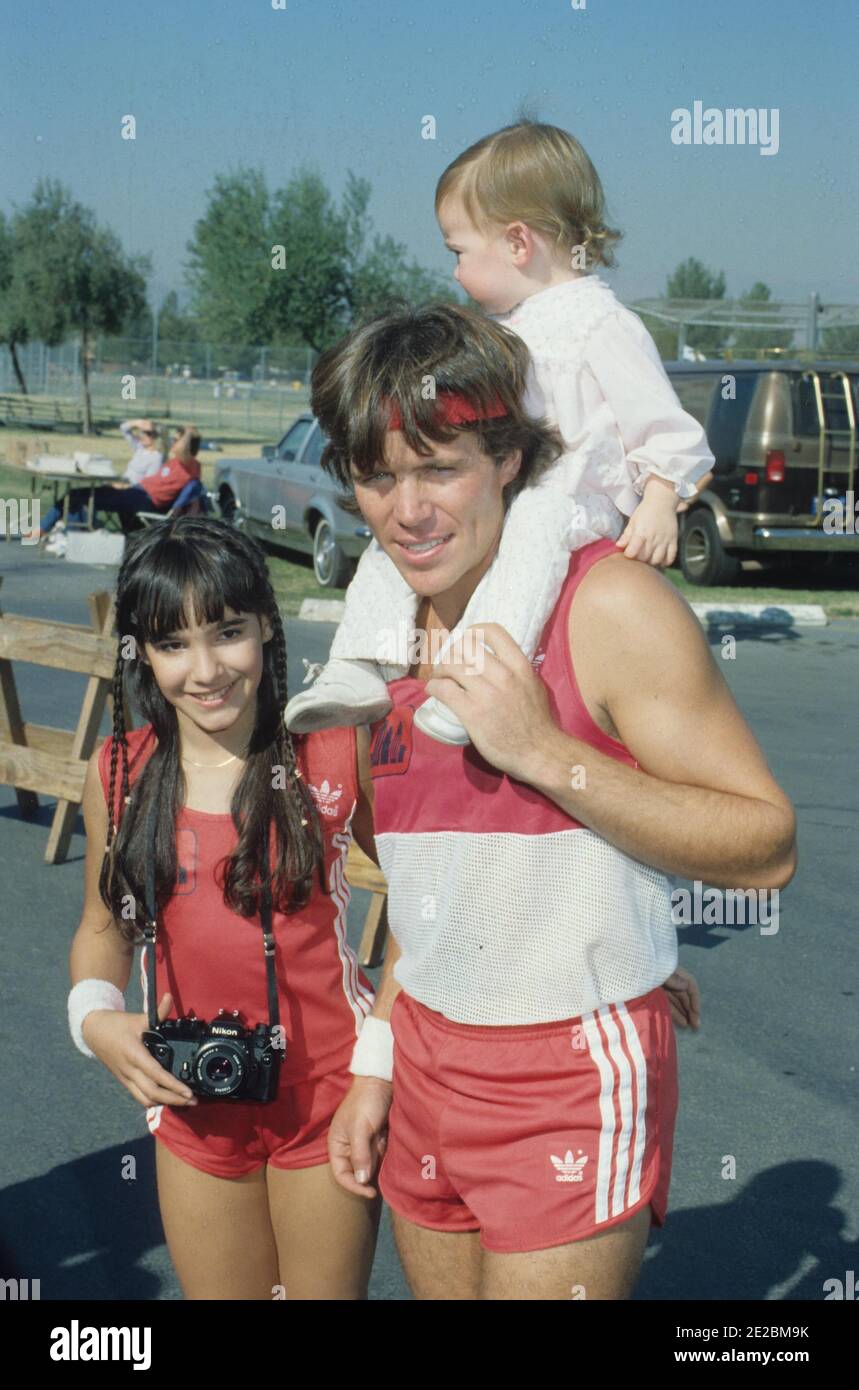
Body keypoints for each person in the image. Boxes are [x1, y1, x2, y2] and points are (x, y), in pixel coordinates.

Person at [312, 302, 797, 1300]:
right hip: (428, 1063)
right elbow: (423, 897)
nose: (407, 510)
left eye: (439, 466)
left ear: (505, 459)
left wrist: (543, 751)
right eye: (377, 476)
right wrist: (377, 1063)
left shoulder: (606, 603)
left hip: (568, 1074)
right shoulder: (380, 643)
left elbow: (765, 843)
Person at [285, 120, 714, 746]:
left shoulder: (600, 325)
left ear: (517, 243)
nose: (456, 272)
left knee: (531, 533)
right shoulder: (510, 328)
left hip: (573, 500)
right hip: (517, 491)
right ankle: (358, 665)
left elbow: (668, 430)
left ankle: (476, 684)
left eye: (459, 251)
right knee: (400, 535)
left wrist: (657, 503)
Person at [67, 516, 382, 1299]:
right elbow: (103, 931)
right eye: (173, 644)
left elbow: (434, 905)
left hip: (328, 1097)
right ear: (142, 651)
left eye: (228, 632)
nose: (205, 670)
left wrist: (379, 1066)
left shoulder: (331, 752)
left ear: (267, 626)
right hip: (194, 1100)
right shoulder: (119, 774)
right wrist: (93, 1019)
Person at [38, 425, 202, 545]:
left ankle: (50, 532)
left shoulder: (190, 465)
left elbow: (183, 449)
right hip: (135, 493)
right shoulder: (176, 462)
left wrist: (188, 431)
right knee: (78, 495)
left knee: (81, 497)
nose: (173, 442)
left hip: (142, 500)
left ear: (187, 445)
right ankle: (65, 534)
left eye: (177, 439)